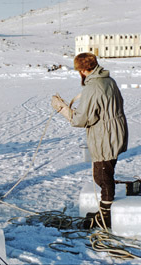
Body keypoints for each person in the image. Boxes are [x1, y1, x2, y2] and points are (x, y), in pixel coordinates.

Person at [51, 53, 128, 228]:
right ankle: (105, 209)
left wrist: (63, 109)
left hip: (104, 135)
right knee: (106, 171)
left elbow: (80, 120)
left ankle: (106, 216)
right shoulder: (109, 81)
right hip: (116, 131)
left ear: (83, 70)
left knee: (102, 175)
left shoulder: (92, 87)